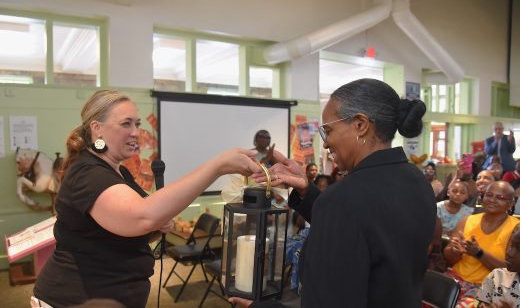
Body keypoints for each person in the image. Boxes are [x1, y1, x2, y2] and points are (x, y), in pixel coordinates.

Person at [32, 90, 260, 308]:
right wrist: (217, 166)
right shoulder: (89, 174)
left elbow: (123, 232)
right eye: (126, 124)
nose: (135, 132)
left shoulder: (120, 172)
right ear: (97, 128)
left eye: (137, 124)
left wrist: (156, 227)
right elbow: (142, 216)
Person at [232, 78, 436, 307]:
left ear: (361, 124)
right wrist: (306, 189)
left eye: (328, 130)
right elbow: (368, 229)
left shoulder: (342, 200)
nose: (326, 143)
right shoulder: (417, 181)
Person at [443, 181, 520, 306]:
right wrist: (455, 251)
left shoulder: (516, 229)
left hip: (486, 287)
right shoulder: (467, 220)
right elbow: (448, 257)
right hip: (454, 278)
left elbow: (512, 271)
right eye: (489, 195)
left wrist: (479, 253)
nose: (492, 200)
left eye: (500, 197)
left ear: (511, 203)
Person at [476, 230, 520, 308]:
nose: (509, 253)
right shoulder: (497, 276)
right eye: (511, 245)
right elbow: (481, 305)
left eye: (519, 249)